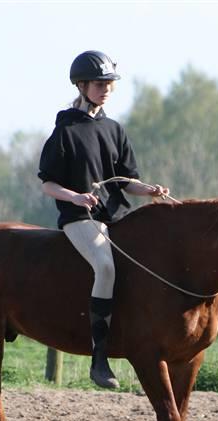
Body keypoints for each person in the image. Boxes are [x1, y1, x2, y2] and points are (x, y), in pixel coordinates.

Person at [38, 50, 168, 389]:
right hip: (80, 218)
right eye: (99, 83)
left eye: (109, 83)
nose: (106, 89)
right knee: (106, 268)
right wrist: (77, 197)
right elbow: (48, 184)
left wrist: (149, 189)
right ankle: (99, 357)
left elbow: (126, 180)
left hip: (117, 217)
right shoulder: (64, 131)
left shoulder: (114, 129)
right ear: (81, 85)